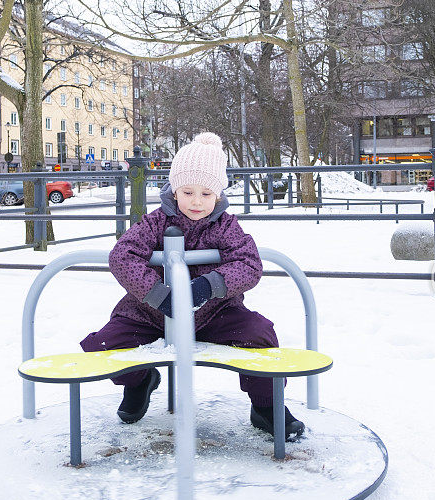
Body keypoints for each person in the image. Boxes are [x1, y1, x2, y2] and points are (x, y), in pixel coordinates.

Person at [81, 132, 304, 439]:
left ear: (218, 195)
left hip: (214, 312)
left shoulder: (226, 226)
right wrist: (158, 295)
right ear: (174, 190)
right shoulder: (154, 222)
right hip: (151, 313)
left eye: (206, 193)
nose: (197, 201)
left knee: (260, 334)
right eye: (187, 192)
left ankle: (266, 405)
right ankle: (139, 381)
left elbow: (249, 264)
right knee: (103, 345)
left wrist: (210, 285)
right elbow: (123, 256)